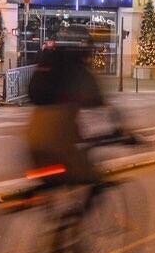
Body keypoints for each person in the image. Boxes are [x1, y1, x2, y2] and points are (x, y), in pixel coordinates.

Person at [27, 31, 131, 188]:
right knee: (91, 178)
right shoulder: (83, 76)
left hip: (33, 140)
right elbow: (103, 110)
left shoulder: (52, 70)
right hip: (60, 145)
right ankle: (74, 211)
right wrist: (122, 133)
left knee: (53, 183)